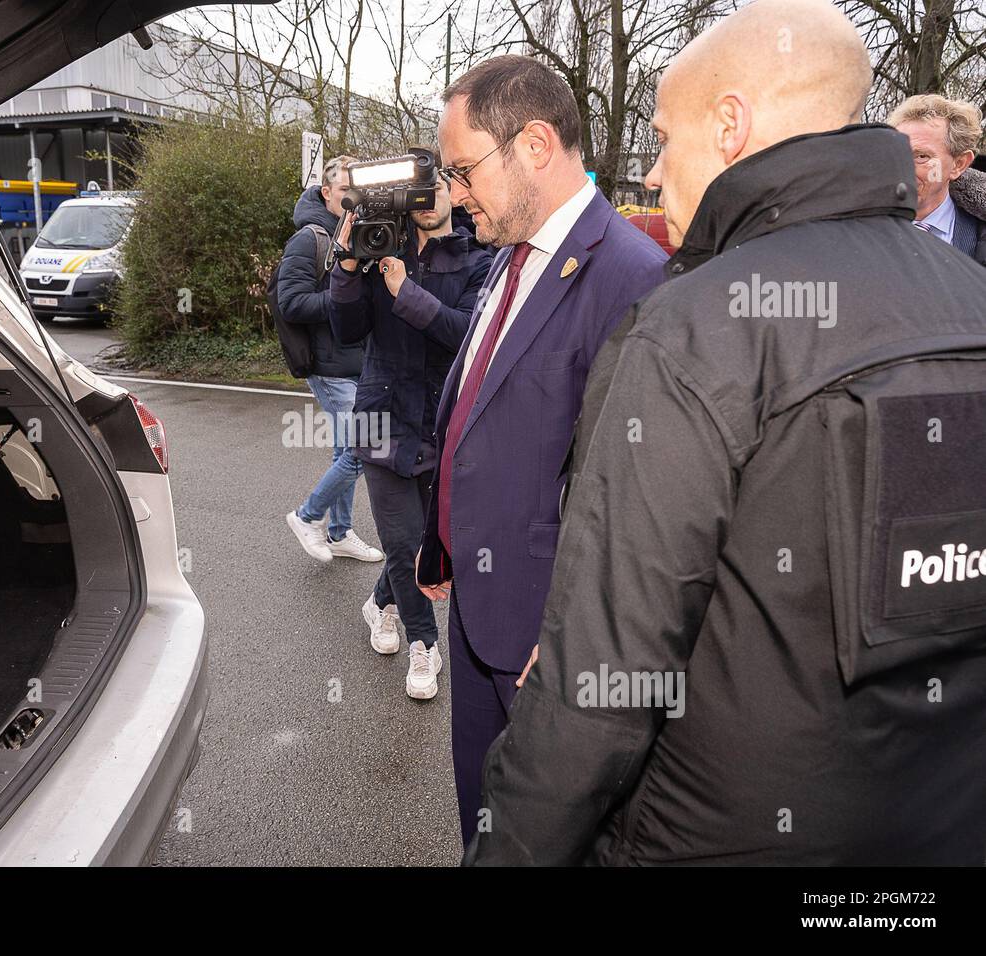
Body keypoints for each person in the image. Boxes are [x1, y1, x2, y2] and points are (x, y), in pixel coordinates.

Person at [467, 0, 986, 866]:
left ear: (731, 125)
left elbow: (601, 690)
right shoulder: (969, 300)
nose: (654, 172)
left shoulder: (696, 329)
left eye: (665, 139)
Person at [414, 55, 667, 845]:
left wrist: (571, 641)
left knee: (548, 839)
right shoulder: (508, 255)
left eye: (461, 171)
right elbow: (478, 407)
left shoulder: (633, 276)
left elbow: (638, 498)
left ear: (532, 144)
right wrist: (442, 544)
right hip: (478, 605)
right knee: (481, 820)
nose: (453, 194)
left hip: (544, 641)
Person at [328, 157, 493, 700]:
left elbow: (466, 336)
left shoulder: (478, 260)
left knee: (427, 540)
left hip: (443, 423)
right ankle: (425, 645)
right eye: (417, 191)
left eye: (438, 185)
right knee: (404, 543)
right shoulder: (382, 250)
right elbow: (348, 331)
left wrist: (407, 293)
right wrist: (349, 268)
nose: (428, 197)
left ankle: (380, 603)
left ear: (451, 194)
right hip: (380, 419)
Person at [280, 157, 383, 564]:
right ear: (327, 193)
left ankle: (339, 533)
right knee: (364, 445)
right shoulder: (310, 239)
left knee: (346, 448)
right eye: (345, 192)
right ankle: (308, 516)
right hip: (328, 364)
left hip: (357, 361)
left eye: (359, 193)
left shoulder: (363, 235)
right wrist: (344, 298)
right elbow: (291, 302)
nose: (354, 200)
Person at [888, 94, 986, 263]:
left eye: (921, 156)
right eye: (897, 153)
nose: (902, 167)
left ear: (959, 164)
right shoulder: (857, 229)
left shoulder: (979, 237)